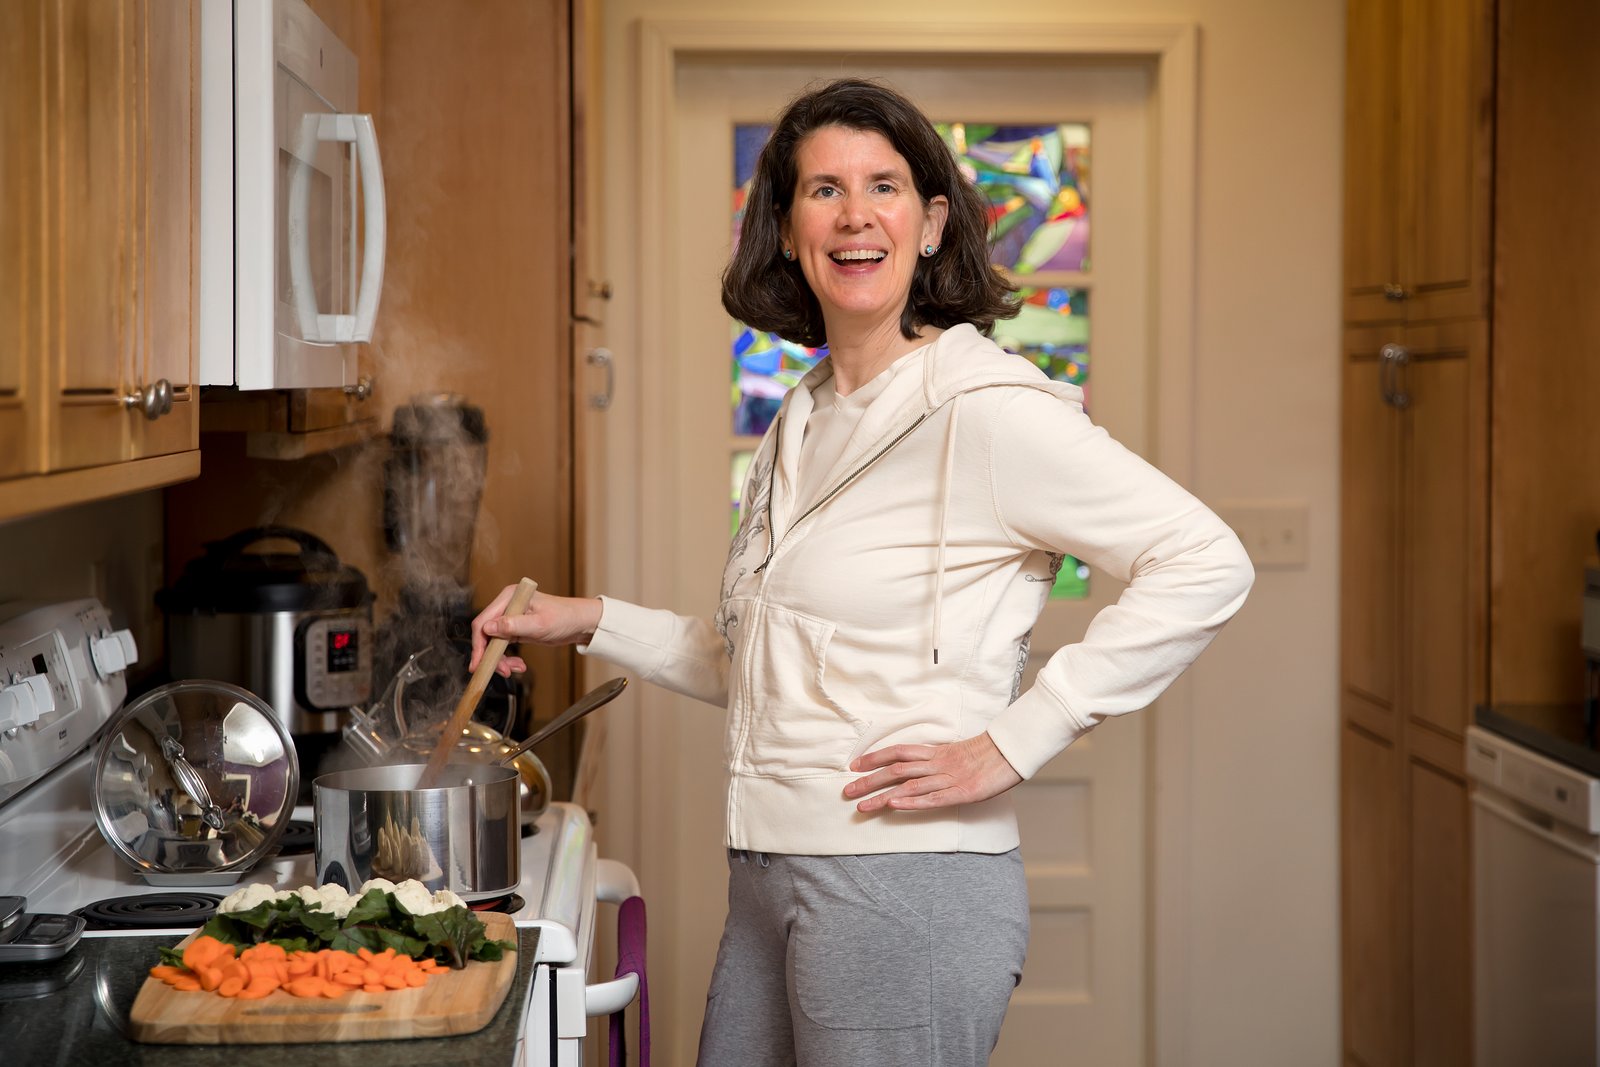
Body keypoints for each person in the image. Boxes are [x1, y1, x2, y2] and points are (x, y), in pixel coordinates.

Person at [471, 78, 1254, 1067]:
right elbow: (764, 663)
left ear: (929, 223)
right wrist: (582, 617)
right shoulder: (800, 419)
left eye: (883, 186)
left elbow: (1205, 560)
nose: (853, 215)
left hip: (903, 881)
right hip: (767, 867)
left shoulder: (988, 410)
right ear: (787, 226)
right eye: (822, 189)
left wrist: (1016, 737)